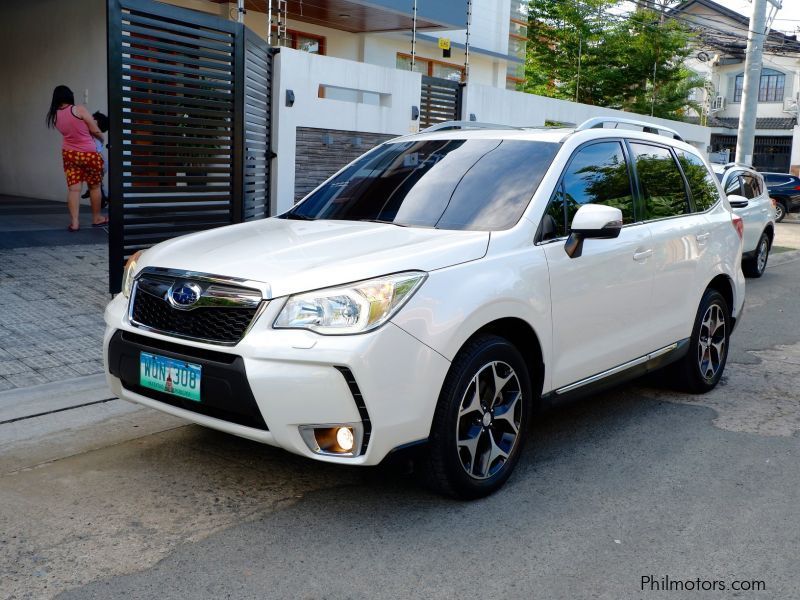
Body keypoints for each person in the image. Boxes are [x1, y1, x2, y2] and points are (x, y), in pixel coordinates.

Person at [46, 85, 108, 231]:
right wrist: (101, 136)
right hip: (89, 154)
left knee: (74, 190)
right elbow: (94, 129)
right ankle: (97, 218)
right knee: (94, 187)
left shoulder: (54, 115)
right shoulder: (78, 109)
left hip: (69, 154)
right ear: (69, 96)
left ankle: (74, 222)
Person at [81, 111, 109, 208]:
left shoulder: (97, 134)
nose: (90, 120)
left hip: (99, 161)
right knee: (97, 182)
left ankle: (103, 196)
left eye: (93, 119)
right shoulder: (95, 134)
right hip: (98, 162)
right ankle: (102, 195)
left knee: (97, 184)